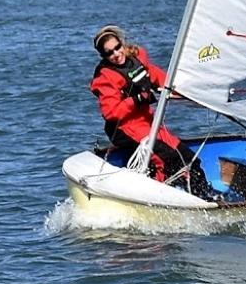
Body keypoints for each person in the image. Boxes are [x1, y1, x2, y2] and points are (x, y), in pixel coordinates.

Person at [89, 24, 213, 199]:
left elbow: (155, 77)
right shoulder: (105, 78)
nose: (116, 54)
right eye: (109, 53)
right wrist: (136, 99)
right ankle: (156, 199)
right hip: (125, 128)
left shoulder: (137, 57)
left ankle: (207, 198)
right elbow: (111, 113)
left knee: (189, 159)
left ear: (121, 44)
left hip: (148, 122)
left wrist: (186, 92)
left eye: (117, 48)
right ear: (103, 56)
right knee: (165, 159)